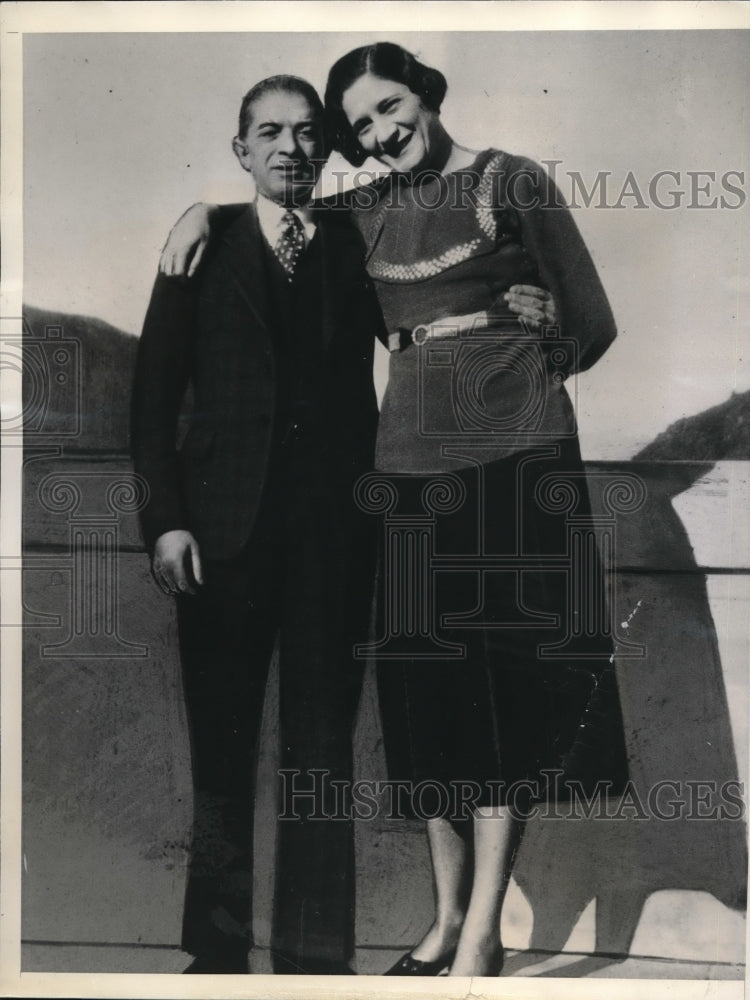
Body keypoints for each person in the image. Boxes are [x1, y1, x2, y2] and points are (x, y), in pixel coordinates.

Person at [160, 42, 627, 978]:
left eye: (392, 106)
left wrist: (532, 341)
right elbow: (273, 205)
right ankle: (446, 920)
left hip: (515, 460)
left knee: (500, 701)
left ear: (427, 95)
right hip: (405, 468)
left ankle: (484, 934)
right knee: (431, 703)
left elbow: (592, 321)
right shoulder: (360, 204)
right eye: (362, 123)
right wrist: (198, 211)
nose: (381, 132)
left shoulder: (510, 179)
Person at [131, 75, 386, 975]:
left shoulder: (361, 241)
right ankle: (217, 951)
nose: (290, 148)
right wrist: (164, 521)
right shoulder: (205, 248)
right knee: (221, 748)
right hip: (220, 539)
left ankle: (318, 957)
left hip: (333, 543)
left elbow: (431, 213)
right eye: (268, 134)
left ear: (327, 149)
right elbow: (153, 399)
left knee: (322, 751)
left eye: (307, 133)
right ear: (241, 150)